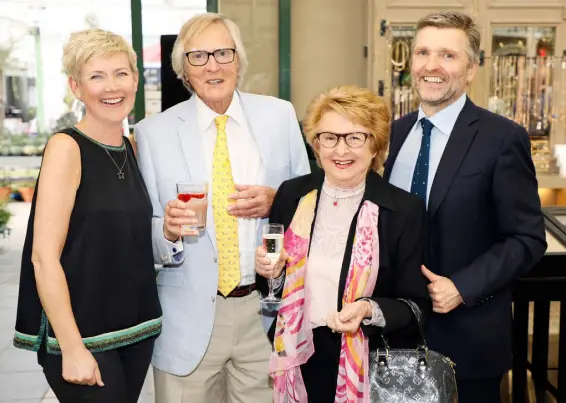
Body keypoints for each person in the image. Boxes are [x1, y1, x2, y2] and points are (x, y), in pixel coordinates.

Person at [134, 12, 310, 403]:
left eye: (222, 53)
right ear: (183, 69)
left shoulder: (279, 116)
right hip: (186, 320)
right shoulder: (152, 134)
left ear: (239, 60)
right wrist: (166, 231)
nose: (212, 65)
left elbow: (308, 202)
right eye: (198, 56)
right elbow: (138, 230)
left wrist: (275, 200)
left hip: (264, 311)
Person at [384, 11, 547, 403]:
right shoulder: (394, 132)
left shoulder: (502, 138)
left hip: (467, 339)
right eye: (423, 52)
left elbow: (526, 238)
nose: (431, 66)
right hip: (394, 336)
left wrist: (462, 286)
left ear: (472, 68)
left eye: (448, 55)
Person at [13, 29, 162, 403]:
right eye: (96, 76)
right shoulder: (67, 148)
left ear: (135, 79)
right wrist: (72, 348)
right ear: (76, 87)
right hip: (82, 334)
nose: (111, 86)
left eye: (120, 73)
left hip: (134, 328)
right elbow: (43, 258)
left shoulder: (132, 147)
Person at [255, 85, 430, 402]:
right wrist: (271, 271)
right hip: (299, 356)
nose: (341, 150)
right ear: (316, 144)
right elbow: (272, 282)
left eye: (354, 137)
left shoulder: (402, 211)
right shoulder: (291, 196)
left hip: (366, 363)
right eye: (330, 137)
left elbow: (416, 305)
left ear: (375, 145)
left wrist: (368, 309)